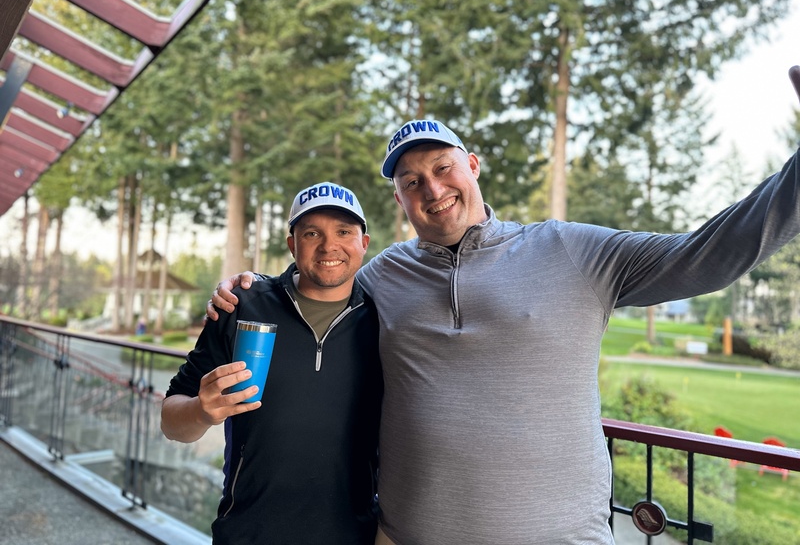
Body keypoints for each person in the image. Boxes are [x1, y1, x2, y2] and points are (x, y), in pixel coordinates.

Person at [208, 111, 800, 544]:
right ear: (399, 201)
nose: (432, 189)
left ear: (472, 166)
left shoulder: (570, 250)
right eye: (411, 182)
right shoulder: (382, 275)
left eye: (443, 168)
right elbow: (315, 283)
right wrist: (249, 288)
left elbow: (707, 255)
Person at [163, 182, 383, 545]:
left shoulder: (384, 320)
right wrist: (201, 411)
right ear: (292, 245)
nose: (329, 246)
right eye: (312, 233)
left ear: (364, 243)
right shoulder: (241, 306)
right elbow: (171, 422)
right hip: (247, 533)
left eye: (344, 232)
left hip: (353, 535)